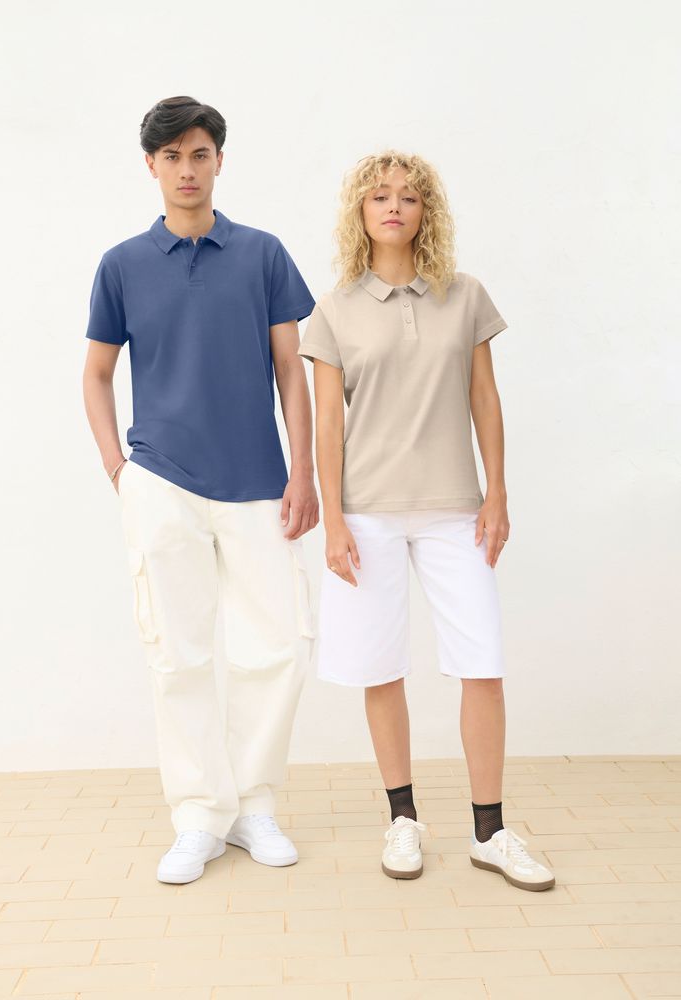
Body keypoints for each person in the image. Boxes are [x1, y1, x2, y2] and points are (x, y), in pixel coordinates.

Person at [297, 150, 555, 892]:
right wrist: (334, 520)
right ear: (360, 210)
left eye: (409, 197)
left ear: (425, 212)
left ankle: (490, 831)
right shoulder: (334, 308)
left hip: (454, 510)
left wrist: (497, 493)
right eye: (379, 195)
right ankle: (403, 818)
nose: (394, 207)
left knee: (482, 663)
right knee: (380, 667)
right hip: (367, 513)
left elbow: (484, 398)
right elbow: (327, 427)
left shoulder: (464, 295)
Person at [82, 96, 319, 885]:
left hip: (258, 482)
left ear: (220, 160)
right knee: (176, 656)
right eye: (172, 156)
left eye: (200, 154)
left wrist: (304, 471)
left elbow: (292, 372)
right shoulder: (122, 264)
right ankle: (197, 817)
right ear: (150, 165)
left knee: (275, 648)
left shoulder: (263, 254)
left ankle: (254, 807)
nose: (187, 169)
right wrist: (120, 471)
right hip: (161, 482)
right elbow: (96, 373)